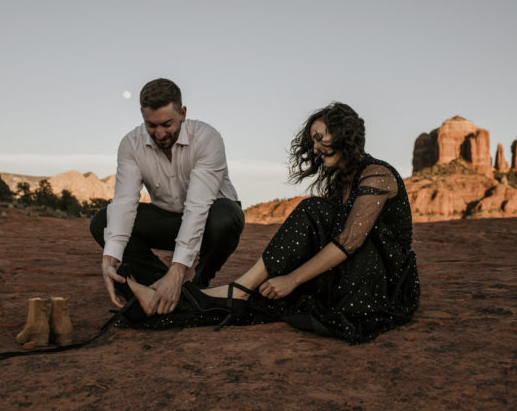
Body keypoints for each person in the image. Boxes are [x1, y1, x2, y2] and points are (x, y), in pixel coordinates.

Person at [126, 102, 420, 343]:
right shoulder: (341, 181)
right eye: (312, 139)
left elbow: (350, 240)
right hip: (350, 271)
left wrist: (292, 278)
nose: (314, 147)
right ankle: (166, 304)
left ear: (345, 135)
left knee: (311, 215)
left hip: (378, 281)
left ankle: (238, 288)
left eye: (320, 138)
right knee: (262, 298)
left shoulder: (377, 173)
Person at [90, 78, 244, 316]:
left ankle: (197, 285)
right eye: (151, 125)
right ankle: (163, 285)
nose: (160, 134)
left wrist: (179, 269)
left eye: (167, 124)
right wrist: (110, 258)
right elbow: (124, 204)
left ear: (182, 113)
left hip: (211, 219)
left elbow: (197, 206)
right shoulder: (130, 145)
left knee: (226, 216)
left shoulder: (207, 138)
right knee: (103, 221)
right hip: (168, 219)